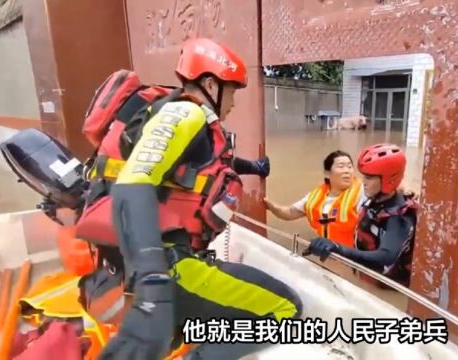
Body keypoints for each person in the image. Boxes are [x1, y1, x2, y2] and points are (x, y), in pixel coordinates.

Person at [73, 38, 302, 360]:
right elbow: (133, 183)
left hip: (127, 267)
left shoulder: (171, 116)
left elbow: (203, 169)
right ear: (210, 84)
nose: (233, 103)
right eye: (233, 92)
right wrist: (153, 280)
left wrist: (254, 168)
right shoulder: (186, 113)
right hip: (168, 269)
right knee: (287, 310)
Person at [304, 144, 417, 287]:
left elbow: (385, 256)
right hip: (365, 275)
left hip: (384, 288)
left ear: (388, 180)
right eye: (364, 176)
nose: (363, 182)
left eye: (369, 177)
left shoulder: (398, 217)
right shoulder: (376, 198)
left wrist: (338, 248)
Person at [264, 150, 364, 247]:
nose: (347, 171)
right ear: (327, 173)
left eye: (350, 167)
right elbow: (290, 212)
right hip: (326, 255)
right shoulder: (317, 196)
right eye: (341, 166)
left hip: (353, 258)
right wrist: (271, 206)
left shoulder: (362, 193)